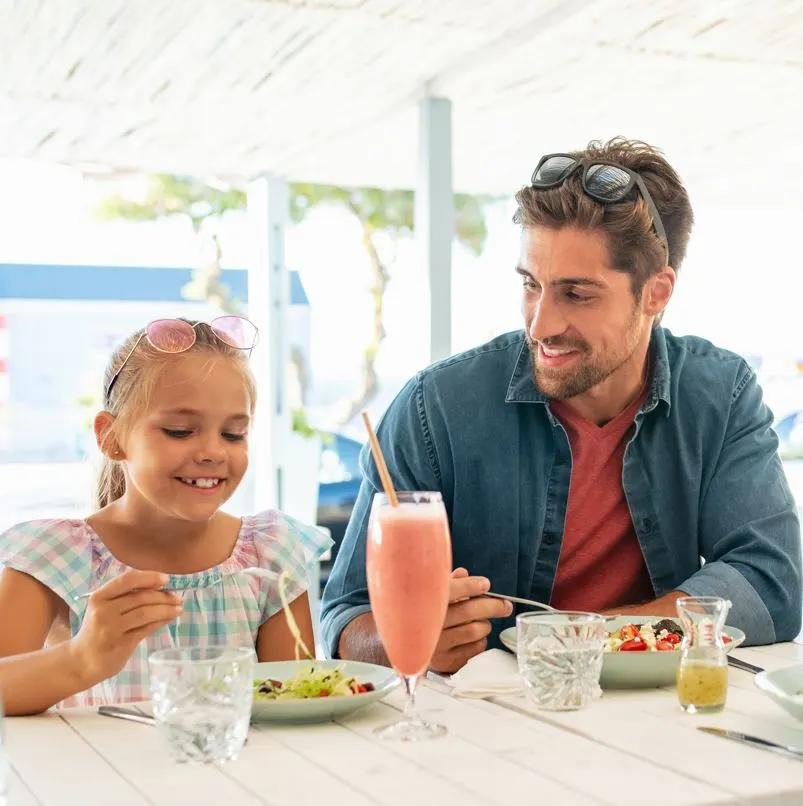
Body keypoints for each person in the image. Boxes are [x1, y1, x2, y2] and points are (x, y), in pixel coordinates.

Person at [321, 137, 803, 674]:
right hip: (487, 732)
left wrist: (592, 640)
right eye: (531, 285)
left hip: (660, 720)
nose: (540, 324)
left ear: (656, 293)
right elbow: (345, 617)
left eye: (576, 294)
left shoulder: (720, 393)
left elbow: (771, 580)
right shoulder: (434, 408)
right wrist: (405, 638)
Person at [0, 317, 331, 714]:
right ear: (111, 437)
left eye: (233, 434)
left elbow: (296, 708)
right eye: (179, 431)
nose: (213, 451)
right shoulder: (54, 555)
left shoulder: (271, 553)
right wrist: (83, 658)